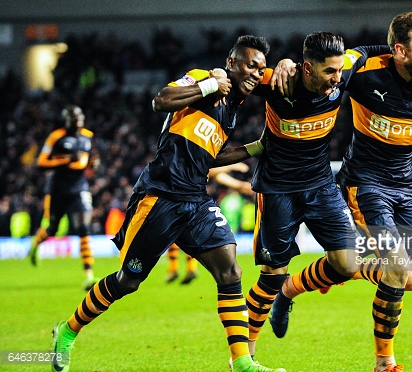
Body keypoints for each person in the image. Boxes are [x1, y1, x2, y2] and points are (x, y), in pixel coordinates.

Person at [50, 35, 285, 372]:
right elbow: (161, 100)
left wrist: (256, 147)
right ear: (231, 63)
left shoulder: (231, 111)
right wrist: (207, 87)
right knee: (127, 281)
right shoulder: (204, 78)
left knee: (230, 270)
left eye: (261, 69)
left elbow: (209, 156)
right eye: (250, 65)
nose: (256, 73)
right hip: (160, 195)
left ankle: (243, 362)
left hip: (195, 199)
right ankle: (68, 332)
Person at [271, 12, 412, 372]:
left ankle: (289, 288)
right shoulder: (364, 70)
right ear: (399, 50)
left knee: (409, 280)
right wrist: (288, 63)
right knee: (396, 267)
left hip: (401, 187)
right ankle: (385, 363)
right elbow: (323, 70)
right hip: (364, 185)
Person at [240, 32, 392, 360]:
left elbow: (368, 51)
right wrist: (222, 77)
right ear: (307, 68)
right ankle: (243, 358)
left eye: (339, 71)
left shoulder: (342, 73)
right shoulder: (276, 81)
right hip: (277, 190)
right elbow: (237, 72)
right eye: (329, 73)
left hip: (322, 186)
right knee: (270, 276)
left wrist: (407, 52)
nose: (337, 79)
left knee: (347, 264)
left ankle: (289, 291)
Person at [28, 105, 99, 291]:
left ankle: (88, 275)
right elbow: (41, 162)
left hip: (79, 188)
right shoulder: (56, 136)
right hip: (57, 189)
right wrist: (66, 160)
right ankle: (36, 244)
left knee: (84, 227)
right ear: (67, 120)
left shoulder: (88, 136)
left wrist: (94, 163)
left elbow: (88, 159)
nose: (77, 120)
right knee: (52, 229)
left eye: (79, 117)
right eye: (73, 117)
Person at [165, 163, 254, 285]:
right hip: (180, 199)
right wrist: (231, 166)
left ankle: (180, 269)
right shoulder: (192, 155)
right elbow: (210, 172)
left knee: (179, 236)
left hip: (182, 201)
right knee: (182, 236)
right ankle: (181, 269)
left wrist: (239, 185)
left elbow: (215, 174)